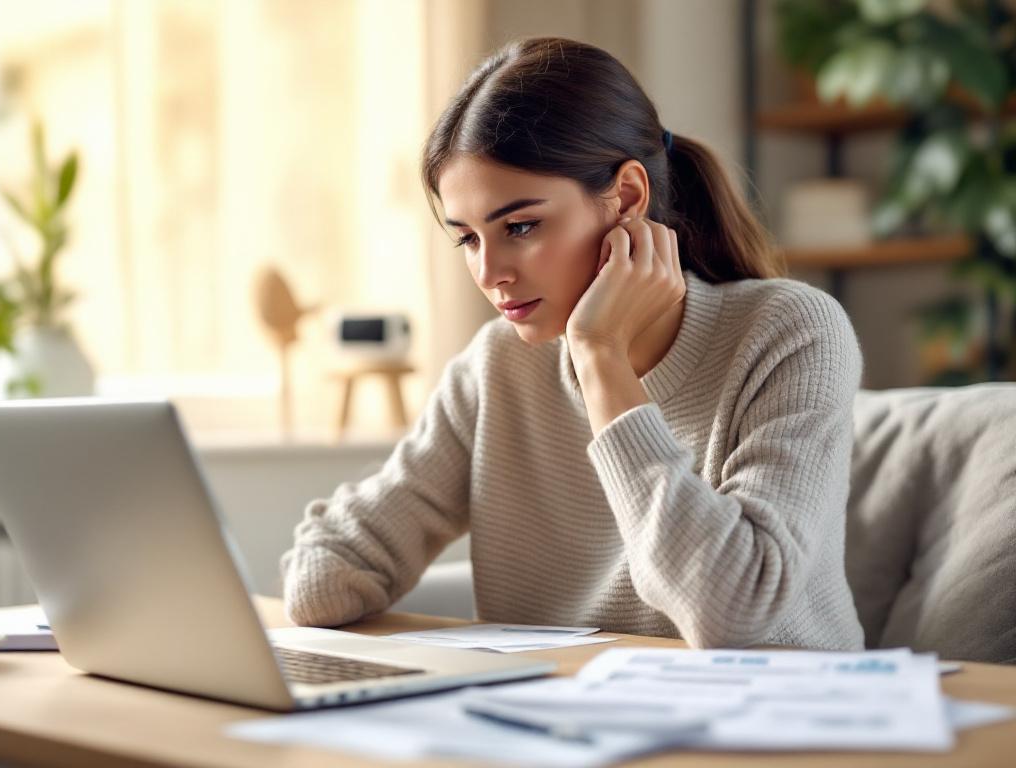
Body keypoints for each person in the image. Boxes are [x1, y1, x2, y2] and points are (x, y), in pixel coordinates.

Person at [280, 37, 865, 650]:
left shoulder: (792, 333)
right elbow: (322, 583)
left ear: (628, 199)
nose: (490, 273)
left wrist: (601, 357)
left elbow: (732, 614)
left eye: (521, 226)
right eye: (469, 239)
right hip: (572, 726)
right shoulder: (497, 367)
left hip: (780, 726)